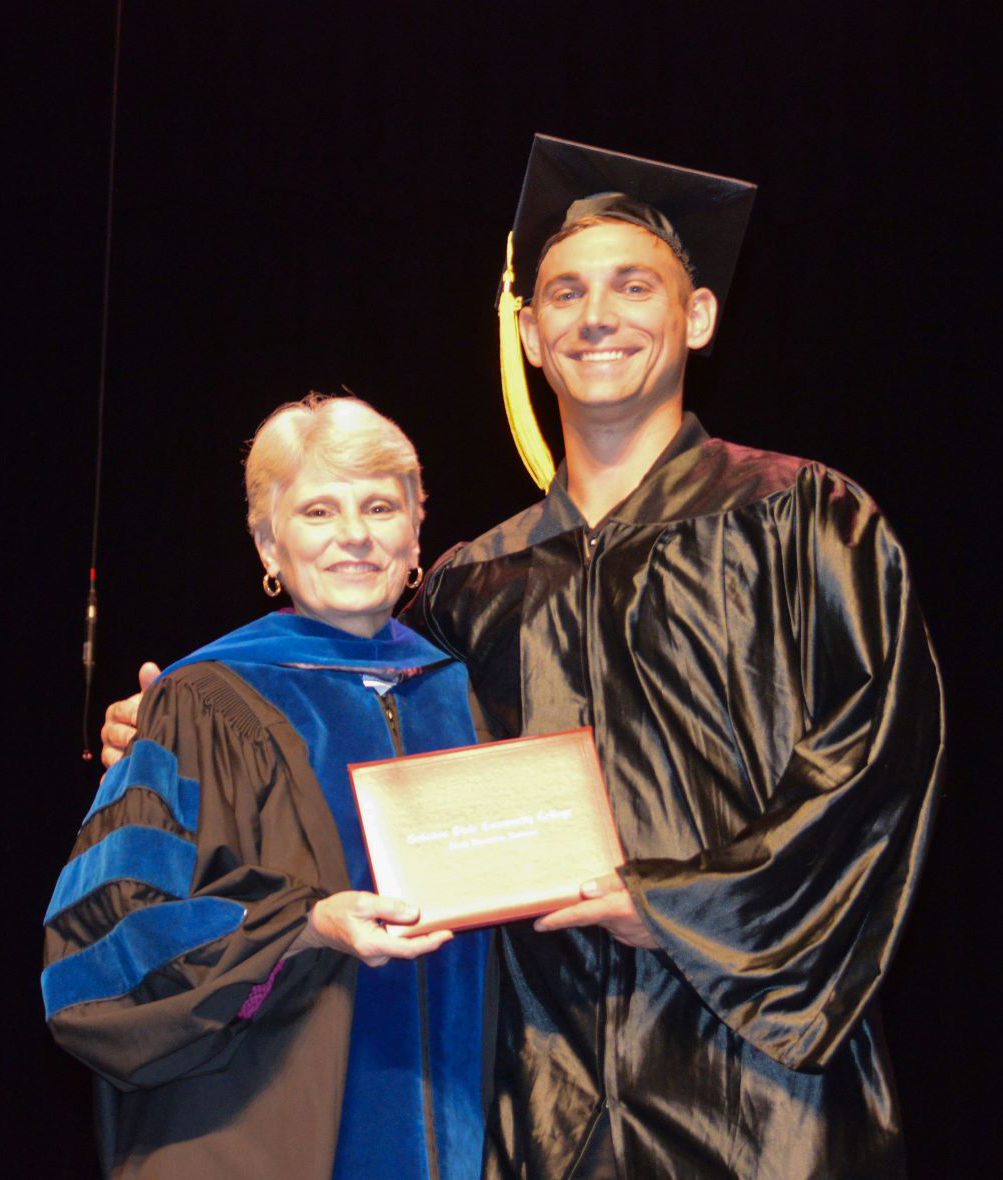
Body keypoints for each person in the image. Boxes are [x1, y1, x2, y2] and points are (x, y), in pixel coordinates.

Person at [101, 136, 945, 1179]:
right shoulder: (468, 584)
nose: (596, 315)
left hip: (756, 1085)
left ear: (698, 317)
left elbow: (876, 770)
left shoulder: (805, 520)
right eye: (563, 292)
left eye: (634, 286)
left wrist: (677, 903)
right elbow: (361, 750)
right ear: (531, 335)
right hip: (527, 1098)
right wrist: (185, 739)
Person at [45, 395, 491, 1180]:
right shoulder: (205, 701)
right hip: (253, 1130)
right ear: (267, 542)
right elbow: (105, 949)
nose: (354, 535)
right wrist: (305, 925)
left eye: (380, 506)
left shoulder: (459, 696)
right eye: (318, 510)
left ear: (417, 531)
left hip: (448, 1123)